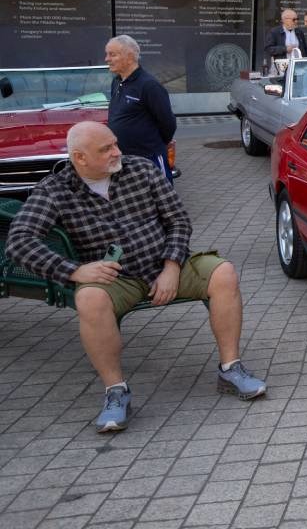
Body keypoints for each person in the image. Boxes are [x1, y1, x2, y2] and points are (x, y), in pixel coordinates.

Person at [6, 121, 266, 433]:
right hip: (117, 279)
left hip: (164, 263)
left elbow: (178, 220)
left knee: (223, 273)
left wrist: (172, 266)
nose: (117, 152)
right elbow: (19, 241)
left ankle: (230, 369)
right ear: (80, 158)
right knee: (89, 298)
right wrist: (74, 270)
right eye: (106, 149)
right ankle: (116, 391)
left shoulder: (141, 169)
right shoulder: (55, 190)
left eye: (115, 144)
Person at [105, 35, 176, 182]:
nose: (107, 59)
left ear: (130, 57)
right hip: (122, 157)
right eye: (107, 54)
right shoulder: (116, 82)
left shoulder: (149, 85)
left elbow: (168, 123)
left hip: (148, 159)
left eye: (112, 54)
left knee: (158, 194)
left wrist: (155, 146)